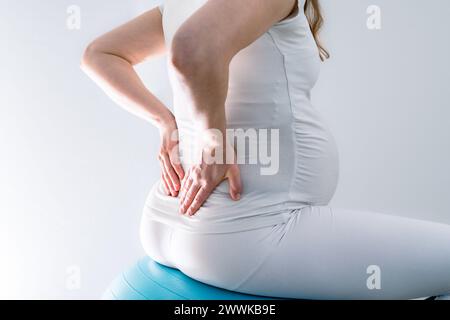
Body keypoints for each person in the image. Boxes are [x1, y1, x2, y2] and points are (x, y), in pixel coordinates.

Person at [81, 0, 450, 299]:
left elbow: (100, 54)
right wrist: (212, 141)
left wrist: (167, 122)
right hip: (248, 233)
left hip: (166, 219)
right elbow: (193, 49)